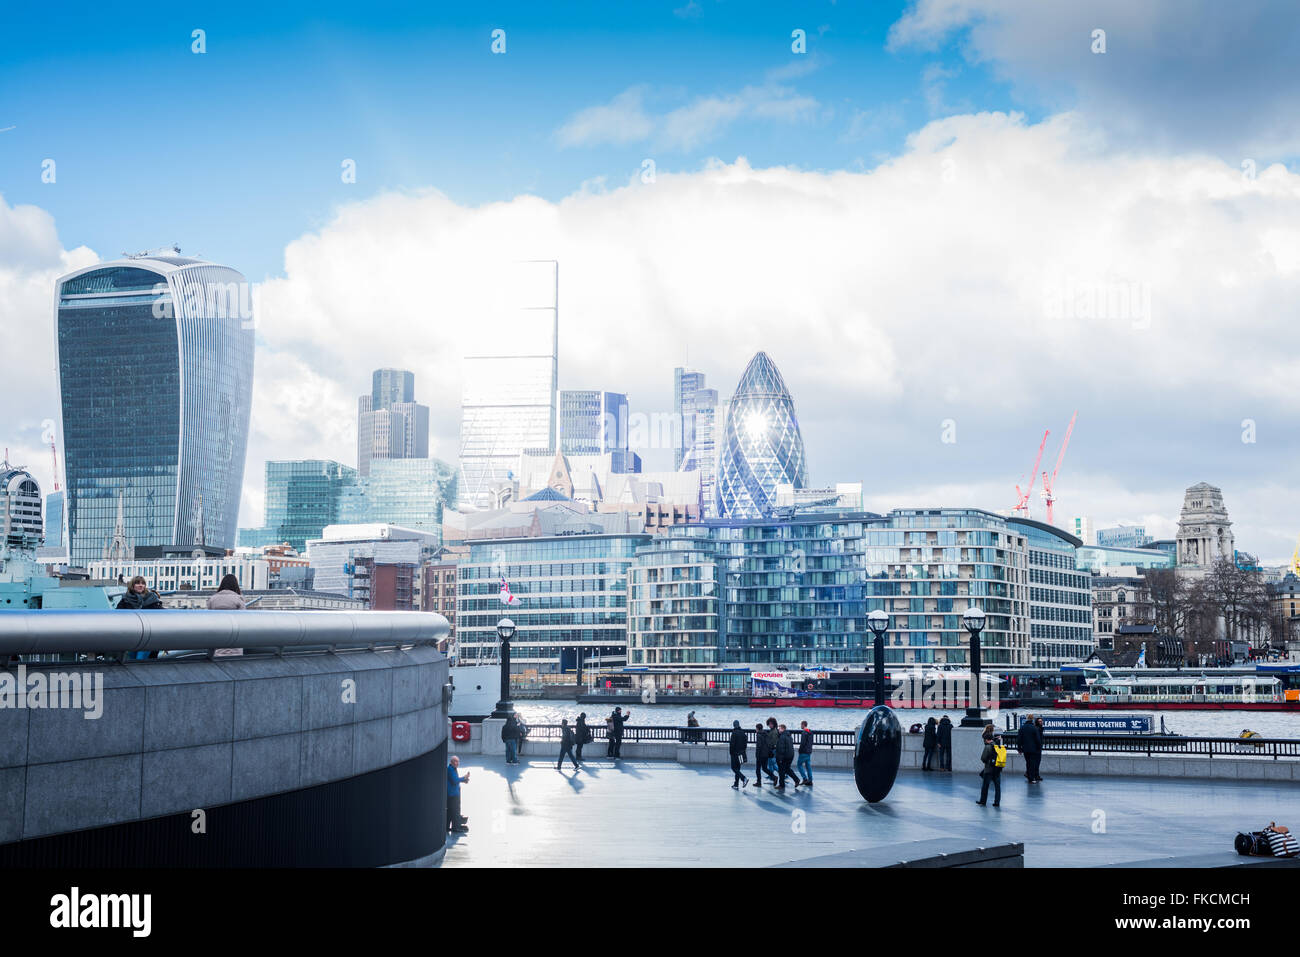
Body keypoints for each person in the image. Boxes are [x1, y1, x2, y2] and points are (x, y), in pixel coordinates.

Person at [117, 576, 164, 660]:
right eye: (137, 583)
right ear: (132, 585)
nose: (141, 585)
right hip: (132, 636)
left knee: (140, 660)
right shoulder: (125, 600)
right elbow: (117, 616)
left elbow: (162, 614)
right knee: (132, 660)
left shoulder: (152, 598)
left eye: (143, 583)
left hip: (149, 636)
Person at [977, 729, 1003, 807]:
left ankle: (983, 801)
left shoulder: (988, 747)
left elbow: (983, 758)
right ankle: (997, 802)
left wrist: (987, 762)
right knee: (997, 787)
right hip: (997, 769)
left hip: (988, 769)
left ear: (986, 740)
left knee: (985, 786)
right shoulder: (997, 745)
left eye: (984, 740)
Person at [775, 723, 803, 790]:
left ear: (782, 729)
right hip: (790, 756)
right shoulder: (789, 736)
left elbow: (782, 749)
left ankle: (781, 785)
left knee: (781, 770)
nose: (778, 730)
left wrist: (780, 758)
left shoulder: (782, 737)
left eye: (779, 728)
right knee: (787, 769)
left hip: (784, 756)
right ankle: (796, 780)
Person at [447, 756, 470, 833]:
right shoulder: (450, 769)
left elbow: (455, 780)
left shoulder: (452, 769)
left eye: (458, 762)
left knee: (450, 811)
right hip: (453, 794)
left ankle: (447, 827)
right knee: (455, 811)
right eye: (456, 762)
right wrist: (464, 778)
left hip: (453, 793)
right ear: (451, 762)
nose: (457, 763)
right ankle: (455, 828)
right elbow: (454, 781)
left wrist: (464, 780)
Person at [1018, 713, 1043, 783]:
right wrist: (1039, 747)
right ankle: (1031, 778)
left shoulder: (1022, 728)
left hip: (1025, 749)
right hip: (1033, 749)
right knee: (1032, 763)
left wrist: (1019, 749)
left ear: (1026, 719)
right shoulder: (1034, 728)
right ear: (1032, 719)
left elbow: (1019, 739)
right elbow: (1038, 739)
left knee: (1028, 763)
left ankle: (1029, 776)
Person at [753, 722, 777, 788]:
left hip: (760, 755)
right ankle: (774, 777)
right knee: (765, 768)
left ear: (757, 729)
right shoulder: (766, 734)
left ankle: (759, 782)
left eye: (756, 728)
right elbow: (769, 744)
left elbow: (759, 746)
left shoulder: (759, 735)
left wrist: (757, 755)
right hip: (766, 755)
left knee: (758, 769)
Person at [728, 720, 749, 789]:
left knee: (734, 768)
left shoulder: (734, 733)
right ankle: (736, 784)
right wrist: (743, 750)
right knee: (737, 769)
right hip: (741, 753)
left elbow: (732, 744)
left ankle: (744, 778)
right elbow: (746, 742)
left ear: (734, 725)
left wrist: (731, 752)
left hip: (735, 754)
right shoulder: (743, 732)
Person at [796, 720, 814, 787]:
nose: (801, 726)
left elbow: (802, 743)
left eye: (801, 725)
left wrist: (800, 750)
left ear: (803, 725)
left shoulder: (804, 732)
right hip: (809, 752)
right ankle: (810, 780)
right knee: (808, 766)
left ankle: (804, 778)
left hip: (803, 752)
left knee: (799, 764)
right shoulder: (811, 732)